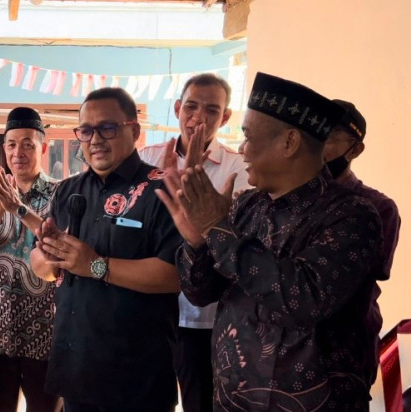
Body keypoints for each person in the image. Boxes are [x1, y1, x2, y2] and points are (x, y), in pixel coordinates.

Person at [157, 72, 383, 410]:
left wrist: (217, 228)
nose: (243, 149)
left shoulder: (353, 215)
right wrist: (197, 242)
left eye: (248, 137)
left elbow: (303, 299)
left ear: (290, 143)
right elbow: (201, 292)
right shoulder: (248, 205)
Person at [30, 88, 182, 411]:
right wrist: (49, 255)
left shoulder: (162, 190)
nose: (95, 139)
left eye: (107, 128)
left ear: (135, 131)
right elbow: (40, 267)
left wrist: (96, 265)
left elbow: (174, 274)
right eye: (86, 130)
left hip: (137, 377)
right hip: (77, 368)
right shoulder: (67, 190)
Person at [139, 73, 250, 412]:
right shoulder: (147, 160)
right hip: (150, 312)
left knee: (200, 402)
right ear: (177, 108)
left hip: (206, 318)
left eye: (212, 110)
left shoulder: (239, 169)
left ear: (226, 117)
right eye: (191, 106)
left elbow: (240, 240)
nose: (198, 118)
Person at [0, 107, 61, 412]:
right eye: (11, 144)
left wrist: (19, 207)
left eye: (27, 144)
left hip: (46, 338)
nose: (17, 152)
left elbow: (58, 253)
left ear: (43, 148)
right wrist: (0, 206)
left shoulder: (59, 195)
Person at [323, 99, 401, 385]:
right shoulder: (278, 201)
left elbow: (346, 287)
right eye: (312, 131)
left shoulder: (378, 208)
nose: (317, 145)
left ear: (354, 149)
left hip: (342, 354)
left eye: (329, 136)